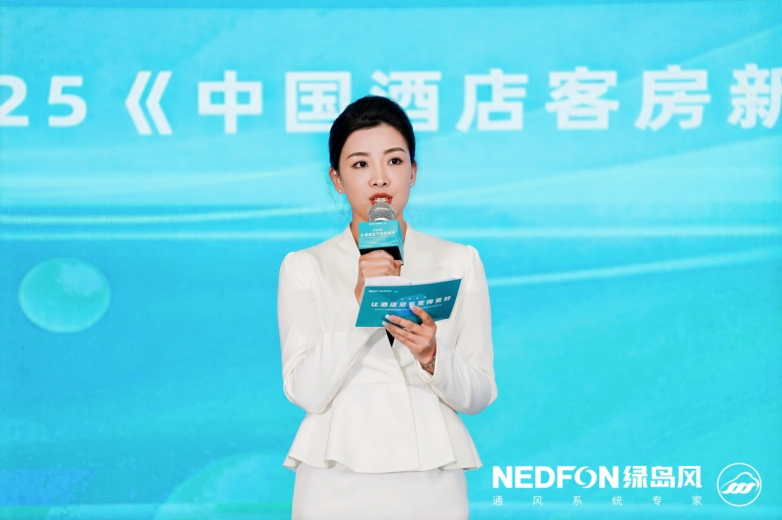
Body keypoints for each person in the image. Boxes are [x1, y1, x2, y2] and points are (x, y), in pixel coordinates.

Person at [277, 95, 496, 520]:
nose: (380, 177)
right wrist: (358, 304)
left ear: (413, 171)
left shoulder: (458, 260)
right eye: (360, 164)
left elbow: (479, 393)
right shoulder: (306, 266)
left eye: (394, 161)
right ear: (337, 179)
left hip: (431, 478)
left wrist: (432, 355)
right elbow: (305, 391)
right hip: (335, 476)